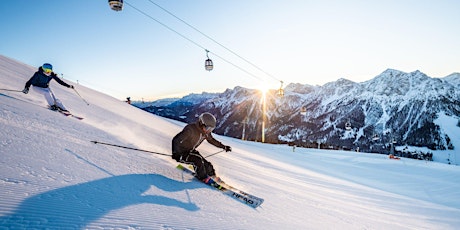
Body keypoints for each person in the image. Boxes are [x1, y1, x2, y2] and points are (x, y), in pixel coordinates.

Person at [172, 112, 232, 181]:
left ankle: (213, 177)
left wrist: (224, 147)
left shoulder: (205, 133)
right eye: (207, 128)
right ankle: (203, 178)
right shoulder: (190, 129)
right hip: (181, 153)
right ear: (201, 123)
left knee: (208, 165)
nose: (208, 131)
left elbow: (212, 140)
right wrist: (176, 153)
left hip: (191, 151)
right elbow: (176, 140)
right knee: (198, 161)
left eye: (211, 129)